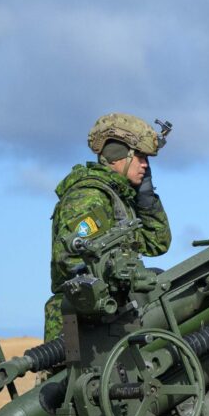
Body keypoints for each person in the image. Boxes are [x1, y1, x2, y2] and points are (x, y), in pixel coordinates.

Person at [45, 112, 171, 341]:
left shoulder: (120, 199)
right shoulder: (90, 197)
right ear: (117, 155)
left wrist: (146, 197)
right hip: (82, 330)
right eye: (141, 157)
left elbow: (157, 243)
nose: (145, 165)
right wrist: (124, 276)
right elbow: (70, 260)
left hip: (111, 322)